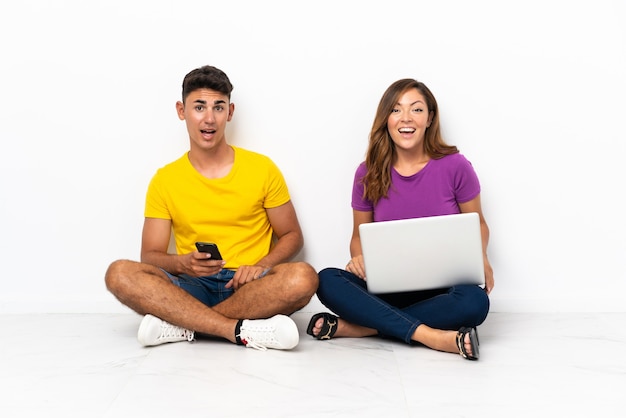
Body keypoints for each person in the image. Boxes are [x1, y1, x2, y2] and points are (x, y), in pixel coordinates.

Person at [105, 65, 318, 351]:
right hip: (193, 286)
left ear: (230, 113)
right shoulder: (165, 180)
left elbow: (292, 235)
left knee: (304, 277)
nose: (209, 118)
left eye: (219, 107)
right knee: (118, 273)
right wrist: (183, 264)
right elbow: (150, 255)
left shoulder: (262, 169)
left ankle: (185, 325)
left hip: (250, 286)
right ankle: (237, 329)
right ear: (182, 111)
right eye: (199, 107)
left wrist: (260, 266)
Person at [306, 79, 493, 360]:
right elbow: (359, 234)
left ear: (430, 118)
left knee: (475, 302)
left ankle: (362, 328)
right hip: (387, 288)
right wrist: (358, 259)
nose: (406, 119)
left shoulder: (456, 166)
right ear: (386, 119)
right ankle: (431, 336)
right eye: (396, 110)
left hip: (442, 289)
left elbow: (477, 222)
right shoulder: (366, 173)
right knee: (327, 280)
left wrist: (483, 259)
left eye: (416, 110)